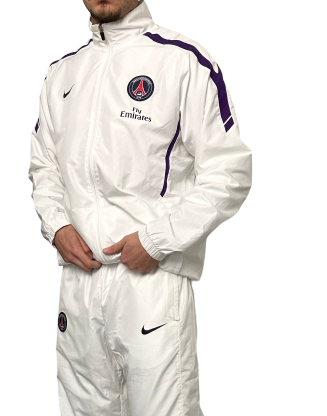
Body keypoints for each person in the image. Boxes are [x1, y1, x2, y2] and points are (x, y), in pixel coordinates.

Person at [28, 0, 253, 414]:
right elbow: (44, 165)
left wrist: (156, 240)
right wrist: (57, 226)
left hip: (152, 282)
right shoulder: (63, 72)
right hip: (78, 283)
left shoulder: (183, 61)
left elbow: (230, 173)